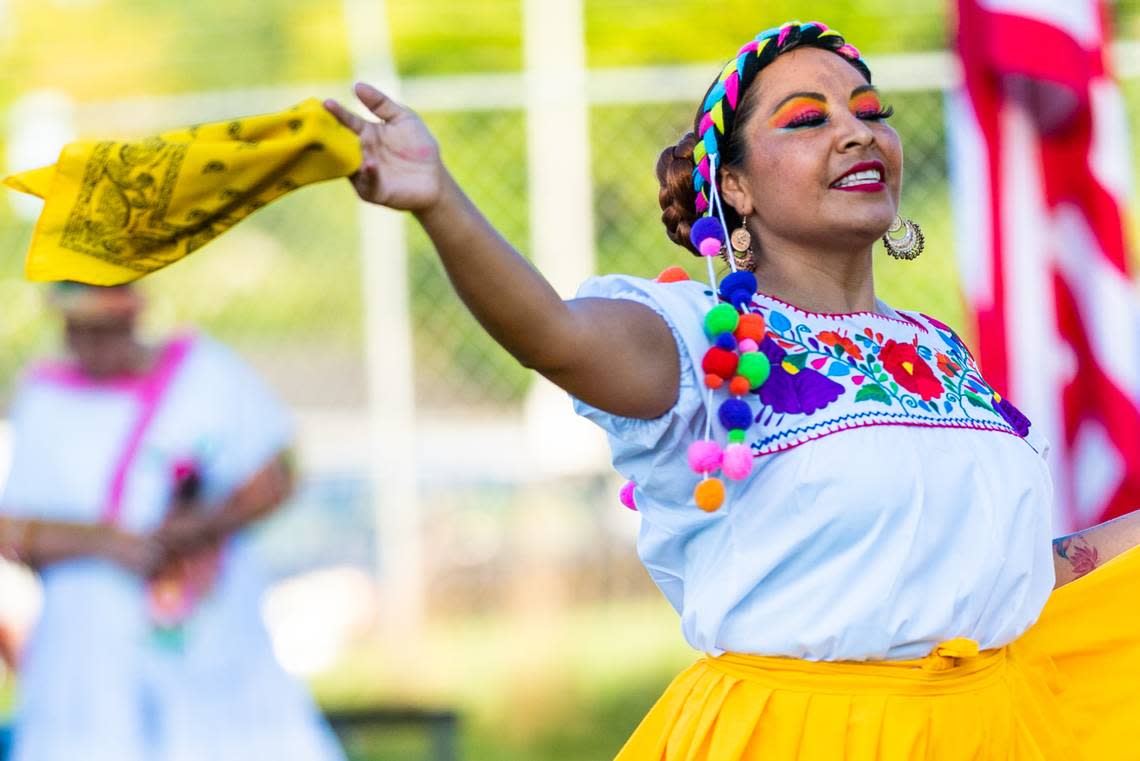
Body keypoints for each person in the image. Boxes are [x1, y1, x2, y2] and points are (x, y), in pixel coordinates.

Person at [323, 20, 1140, 759]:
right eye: (808, 120)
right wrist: (440, 203)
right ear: (736, 188)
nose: (858, 132)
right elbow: (552, 333)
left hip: (994, 732)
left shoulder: (938, 349)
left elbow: (1014, 568)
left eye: (871, 111)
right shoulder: (700, 335)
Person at [0, 283, 344, 761]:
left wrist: (204, 525)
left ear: (132, 319)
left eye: (104, 330)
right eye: (80, 331)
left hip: (208, 644)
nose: (92, 345)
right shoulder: (43, 395)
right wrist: (108, 544)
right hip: (86, 658)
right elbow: (11, 527)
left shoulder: (203, 375)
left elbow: (276, 474)